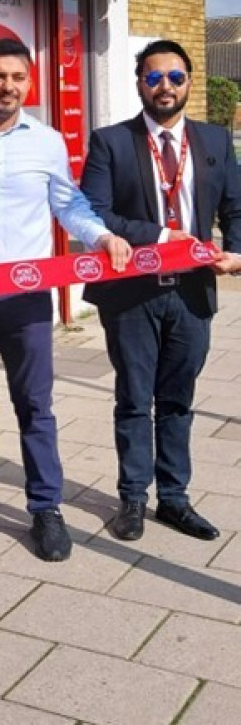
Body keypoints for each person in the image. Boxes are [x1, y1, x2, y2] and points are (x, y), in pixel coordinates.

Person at [0, 38, 131, 560]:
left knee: (35, 405)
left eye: (17, 78)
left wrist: (99, 236)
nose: (7, 87)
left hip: (26, 299)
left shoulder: (47, 140)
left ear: (29, 83)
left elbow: (67, 202)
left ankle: (46, 508)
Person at [80, 39, 241, 542]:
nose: (165, 87)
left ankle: (174, 499)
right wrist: (159, 236)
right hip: (132, 293)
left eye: (175, 77)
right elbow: (94, 213)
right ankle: (132, 498)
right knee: (133, 398)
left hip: (193, 294)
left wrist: (236, 252)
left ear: (189, 81)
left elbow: (236, 208)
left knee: (178, 399)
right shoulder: (110, 141)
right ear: (139, 85)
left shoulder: (215, 140)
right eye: (154, 78)